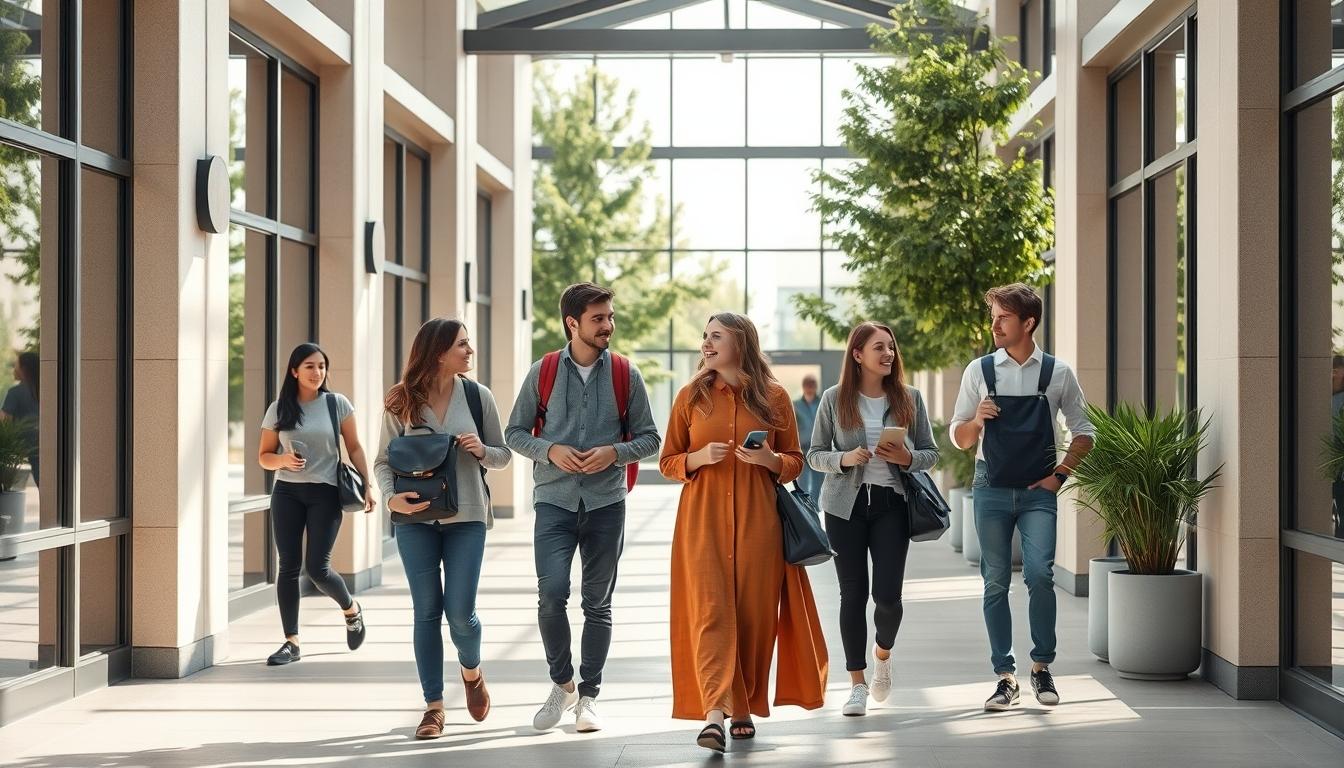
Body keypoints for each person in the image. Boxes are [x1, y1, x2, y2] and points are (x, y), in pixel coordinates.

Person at [660, 312, 828, 753]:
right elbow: (668, 461)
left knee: (753, 620)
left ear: (741, 342)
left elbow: (795, 459)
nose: (705, 342)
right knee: (712, 615)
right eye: (705, 335)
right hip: (702, 524)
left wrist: (770, 460)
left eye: (715, 335)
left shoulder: (774, 397)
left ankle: (743, 707)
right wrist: (697, 459)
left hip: (759, 524)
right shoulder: (689, 397)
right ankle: (714, 713)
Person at [505, 282, 661, 734]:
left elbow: (650, 438)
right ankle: (562, 684)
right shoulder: (544, 371)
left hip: (606, 503)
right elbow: (515, 433)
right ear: (573, 323)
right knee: (552, 595)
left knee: (598, 603)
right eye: (599, 318)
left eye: (610, 316)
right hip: (553, 501)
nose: (608, 325)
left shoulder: (626, 374)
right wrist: (550, 450)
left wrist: (615, 452)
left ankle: (588, 696)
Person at [949, 284, 1094, 711]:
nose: (994, 325)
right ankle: (1005, 676)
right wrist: (976, 419)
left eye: (1002, 317)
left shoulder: (1057, 373)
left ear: (1027, 323)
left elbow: (1085, 432)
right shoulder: (979, 370)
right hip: (989, 487)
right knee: (994, 580)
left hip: (1037, 494)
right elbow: (958, 439)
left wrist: (1060, 476)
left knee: (1039, 575)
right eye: (993, 316)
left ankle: (1041, 667)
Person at [373, 318, 511, 739]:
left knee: (460, 615)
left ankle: (471, 672)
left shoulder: (477, 395)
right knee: (426, 612)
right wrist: (390, 496)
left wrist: (482, 450)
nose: (470, 351)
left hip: (467, 517)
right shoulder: (401, 401)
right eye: (462, 345)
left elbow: (503, 455)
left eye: (469, 344)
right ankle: (433, 707)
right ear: (437, 352)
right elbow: (382, 460)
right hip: (415, 520)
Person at [807, 322, 938, 716]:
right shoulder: (834, 398)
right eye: (879, 347)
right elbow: (814, 453)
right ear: (857, 354)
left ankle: (883, 654)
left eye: (891, 348)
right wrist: (844, 459)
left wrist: (908, 458)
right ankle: (857, 684)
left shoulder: (909, 397)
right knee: (852, 594)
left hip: (892, 505)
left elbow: (931, 452)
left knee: (888, 597)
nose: (889, 354)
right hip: (844, 508)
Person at [257, 343, 376, 667]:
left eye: (322, 366)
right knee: (289, 566)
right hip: (287, 494)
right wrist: (281, 458)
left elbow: (354, 447)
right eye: (309, 366)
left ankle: (351, 609)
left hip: (325, 492)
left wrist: (368, 485)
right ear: (294, 371)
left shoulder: (336, 404)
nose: (317, 372)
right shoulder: (279, 409)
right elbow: (264, 457)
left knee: (318, 568)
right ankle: (291, 641)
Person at [1, 351, 40, 485]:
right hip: (51, 446)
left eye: (16, 366)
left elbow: (4, 422)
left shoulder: (15, 393)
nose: (14, 370)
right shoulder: (45, 389)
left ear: (24, 369)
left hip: (31, 449)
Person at [793, 373, 822, 501]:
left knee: (818, 483)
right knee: (802, 484)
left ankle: (814, 510)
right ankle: (804, 510)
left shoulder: (823, 402)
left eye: (812, 386)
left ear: (816, 387)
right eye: (807, 386)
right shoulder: (796, 405)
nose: (810, 388)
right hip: (802, 449)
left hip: (819, 449)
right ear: (803, 387)